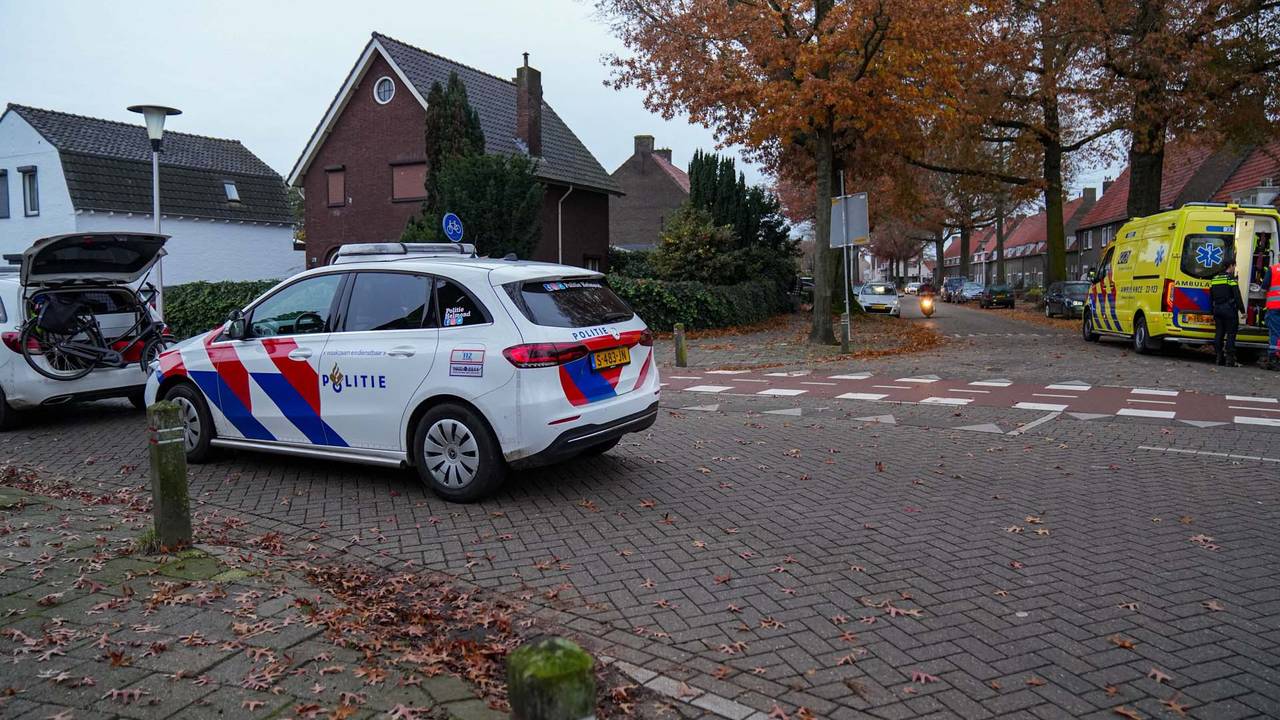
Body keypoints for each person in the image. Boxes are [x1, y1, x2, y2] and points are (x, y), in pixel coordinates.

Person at [1209, 259, 1244, 367]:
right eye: (1234, 266)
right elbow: (1237, 295)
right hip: (1229, 310)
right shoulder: (1231, 279)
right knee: (1231, 334)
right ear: (1231, 265)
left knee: (1219, 333)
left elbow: (1211, 297)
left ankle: (1219, 357)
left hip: (1217, 309)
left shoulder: (1214, 279)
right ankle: (1230, 360)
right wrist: (1243, 311)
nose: (1234, 268)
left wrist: (1212, 311)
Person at [1264, 259, 1280, 370]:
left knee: (1274, 332)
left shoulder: (1273, 269)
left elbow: (1264, 286)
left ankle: (1273, 358)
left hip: (1274, 306)